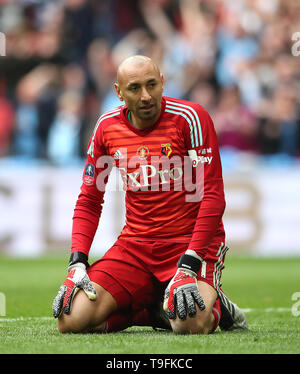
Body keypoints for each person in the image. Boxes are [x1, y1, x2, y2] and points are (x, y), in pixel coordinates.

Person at [52, 55, 248, 334]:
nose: (145, 96)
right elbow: (89, 199)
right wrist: (77, 263)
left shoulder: (190, 118)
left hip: (190, 243)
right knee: (71, 320)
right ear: (118, 92)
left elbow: (213, 195)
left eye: (152, 85)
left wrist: (191, 260)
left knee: (188, 325)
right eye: (134, 88)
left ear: (163, 83)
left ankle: (220, 307)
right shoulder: (106, 127)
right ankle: (153, 309)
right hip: (136, 245)